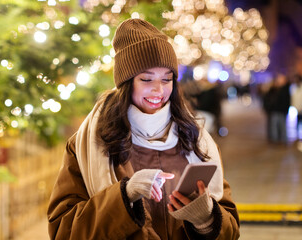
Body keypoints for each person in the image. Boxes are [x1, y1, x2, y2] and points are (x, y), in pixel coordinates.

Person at [47, 18, 240, 239]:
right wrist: (124, 196)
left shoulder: (196, 138)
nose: (158, 90)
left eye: (167, 79)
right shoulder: (89, 142)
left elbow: (231, 229)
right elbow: (63, 229)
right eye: (147, 79)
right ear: (126, 83)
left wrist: (207, 220)